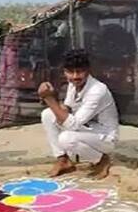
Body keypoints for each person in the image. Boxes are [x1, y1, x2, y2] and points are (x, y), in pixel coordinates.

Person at [38, 49, 119, 180]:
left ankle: (102, 160)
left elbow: (72, 124)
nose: (75, 76)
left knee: (66, 138)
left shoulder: (97, 90)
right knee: (48, 114)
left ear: (88, 70)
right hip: (87, 128)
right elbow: (67, 109)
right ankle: (63, 159)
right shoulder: (73, 84)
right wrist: (52, 97)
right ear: (64, 72)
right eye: (70, 72)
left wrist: (49, 99)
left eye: (80, 71)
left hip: (104, 137)